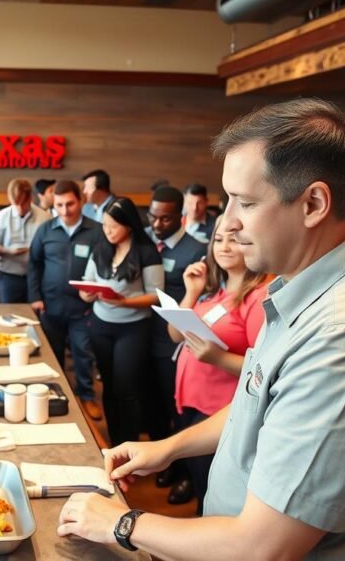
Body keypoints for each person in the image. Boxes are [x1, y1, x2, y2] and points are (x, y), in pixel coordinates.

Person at [57, 99, 345, 561]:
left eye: (246, 202)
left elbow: (262, 547)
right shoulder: (301, 287)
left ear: (314, 204)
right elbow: (254, 399)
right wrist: (168, 448)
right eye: (229, 202)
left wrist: (121, 523)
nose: (230, 224)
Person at [170, 216, 269, 514]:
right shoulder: (214, 289)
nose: (225, 246)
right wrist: (191, 291)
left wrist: (217, 358)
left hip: (220, 410)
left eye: (234, 239)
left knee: (210, 489)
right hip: (192, 401)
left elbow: (264, 369)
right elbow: (175, 333)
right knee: (200, 479)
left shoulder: (257, 296)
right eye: (219, 239)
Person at [79, 197, 163, 446]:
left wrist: (123, 302)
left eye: (113, 226)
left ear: (128, 225)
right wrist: (86, 293)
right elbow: (87, 281)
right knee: (108, 387)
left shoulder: (146, 252)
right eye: (105, 226)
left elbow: (157, 295)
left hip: (133, 327)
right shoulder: (101, 248)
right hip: (102, 323)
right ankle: (114, 442)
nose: (108, 231)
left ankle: (129, 444)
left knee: (126, 387)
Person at [142, 186, 206, 503]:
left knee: (176, 411)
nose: (156, 224)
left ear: (179, 217)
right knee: (151, 405)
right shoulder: (145, 241)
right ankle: (164, 461)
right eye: (153, 216)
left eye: (164, 219)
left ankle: (183, 473)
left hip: (174, 344)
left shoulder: (195, 251)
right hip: (144, 336)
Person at [28, 180, 104, 420]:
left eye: (70, 204)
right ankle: (55, 396)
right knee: (53, 356)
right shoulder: (46, 230)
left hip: (84, 308)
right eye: (59, 205)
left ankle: (87, 397)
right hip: (51, 306)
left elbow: (106, 264)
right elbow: (34, 263)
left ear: (81, 200)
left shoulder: (97, 230)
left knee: (83, 354)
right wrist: (35, 297)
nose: (65, 210)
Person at [0, 179, 50, 304]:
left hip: (37, 277)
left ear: (30, 198)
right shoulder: (0, 217)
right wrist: (7, 251)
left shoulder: (45, 218)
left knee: (36, 317)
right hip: (9, 276)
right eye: (15, 204)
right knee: (9, 317)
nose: (19, 209)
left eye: (23, 203)